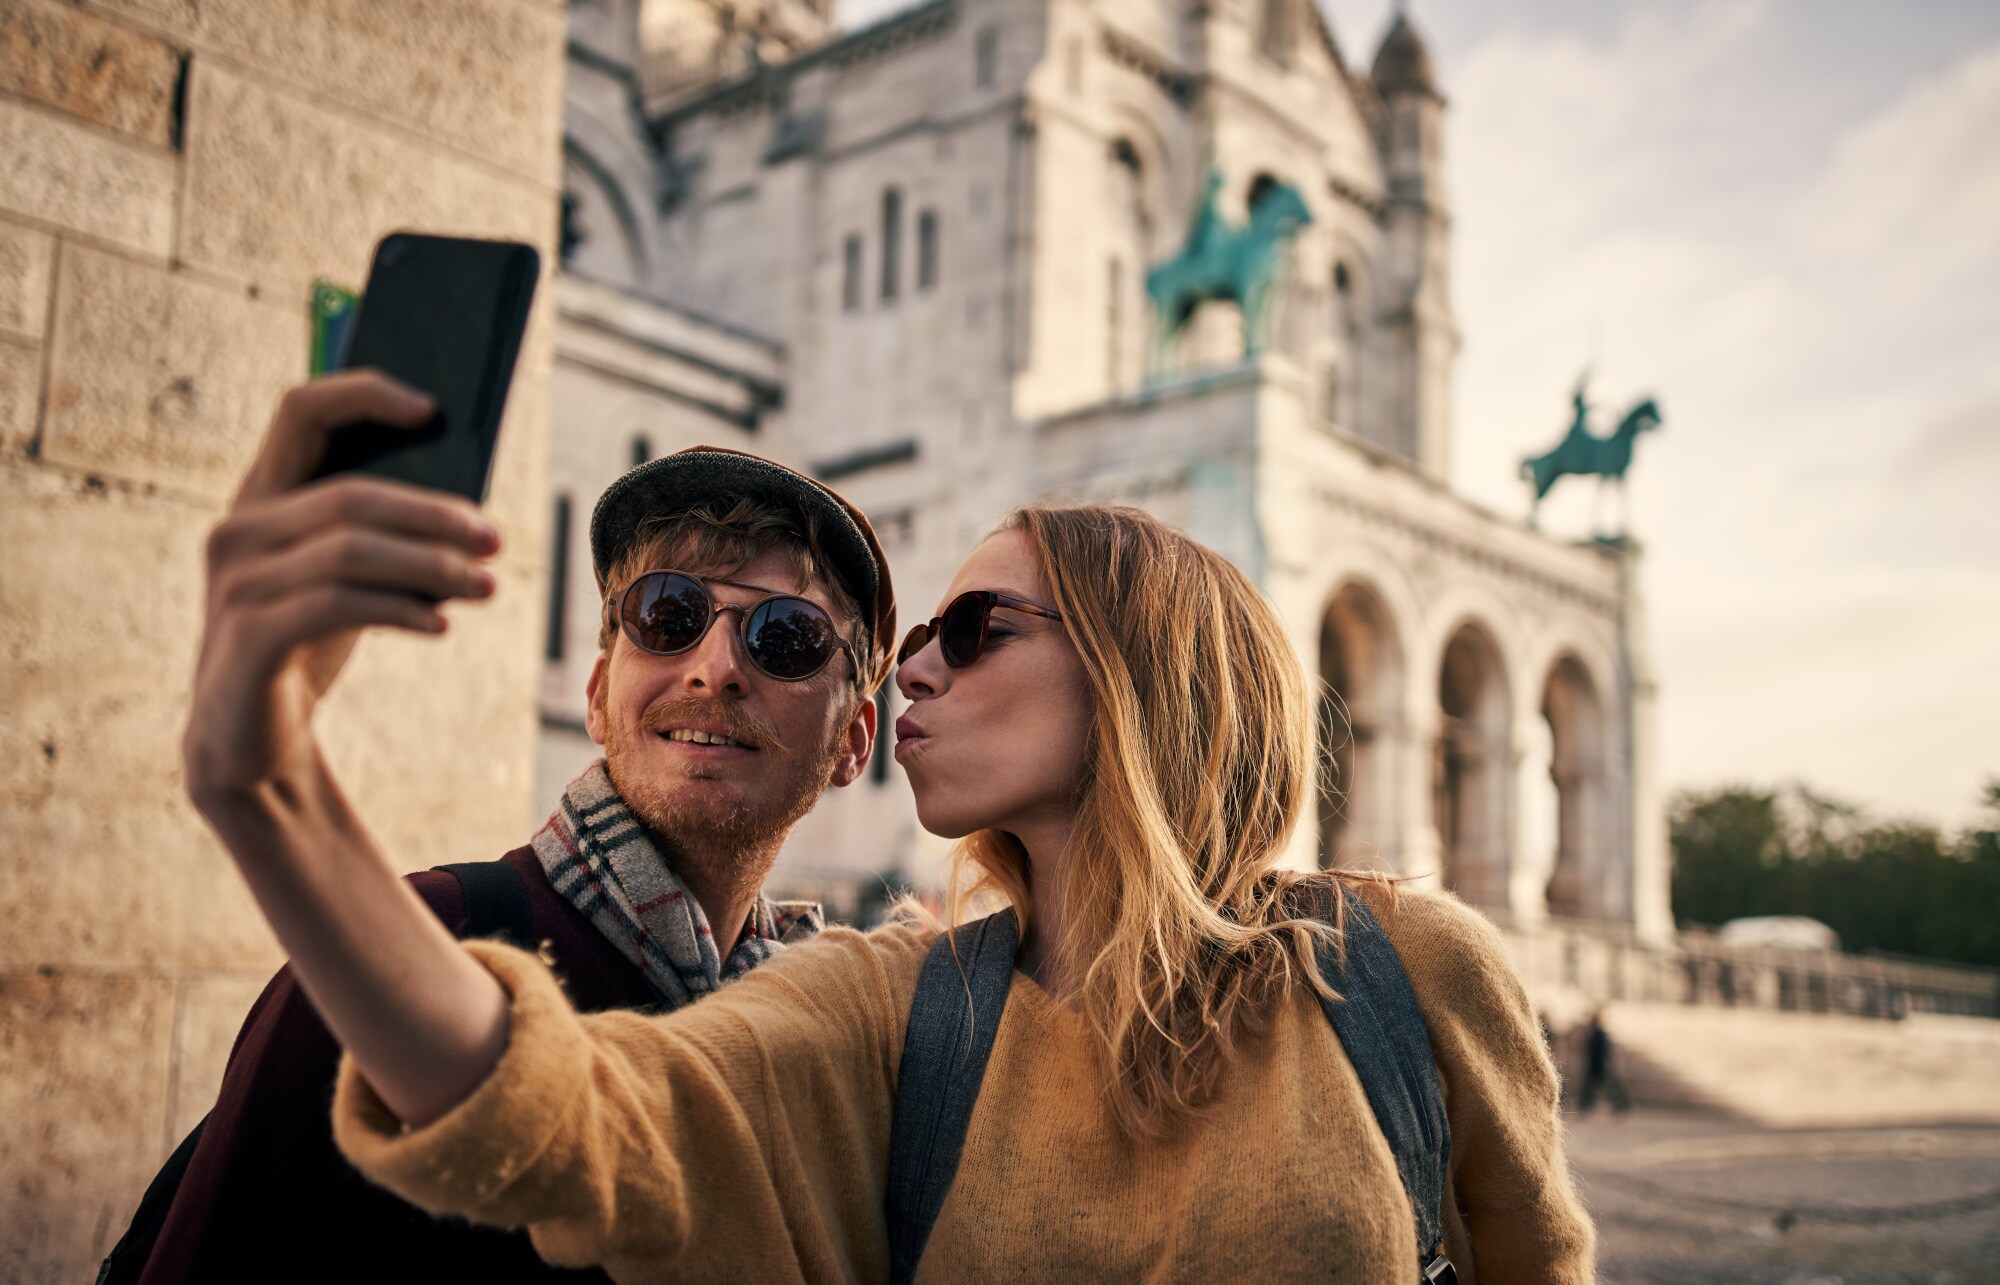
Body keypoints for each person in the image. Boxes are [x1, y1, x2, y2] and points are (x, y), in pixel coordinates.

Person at [188, 479, 1595, 1278]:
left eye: (970, 627)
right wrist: (269, 791)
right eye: (665, 618)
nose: (915, 663)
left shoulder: (1404, 967)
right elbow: (571, 1117)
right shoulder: (884, 1005)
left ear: (1145, 665)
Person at [145, 370, 897, 1282]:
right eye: (667, 615)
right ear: (596, 693)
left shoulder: (824, 1042)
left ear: (855, 740)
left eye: (784, 636)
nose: (714, 667)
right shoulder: (415, 941)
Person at [1575, 1007, 1631, 1115]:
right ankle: (1584, 1107)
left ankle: (1621, 1106)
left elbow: (1603, 1053)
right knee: (1590, 1090)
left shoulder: (1599, 1034)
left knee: (1606, 1089)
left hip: (1600, 1066)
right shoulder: (1594, 1033)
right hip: (1596, 1066)